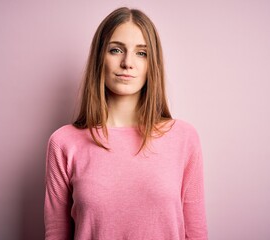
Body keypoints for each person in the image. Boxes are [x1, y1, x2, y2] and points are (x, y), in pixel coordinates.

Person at [44, 7, 208, 240]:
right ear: (100, 57)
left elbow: (196, 233)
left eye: (142, 53)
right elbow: (56, 234)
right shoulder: (63, 143)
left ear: (153, 64)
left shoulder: (184, 137)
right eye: (116, 50)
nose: (127, 63)